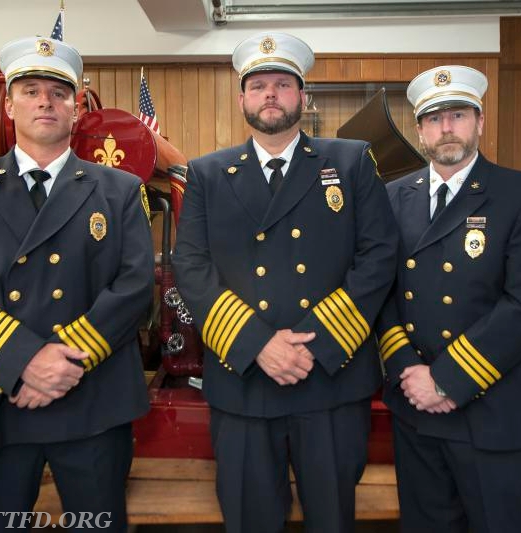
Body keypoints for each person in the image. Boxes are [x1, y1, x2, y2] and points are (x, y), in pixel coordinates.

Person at [0, 36, 154, 532]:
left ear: (77, 108)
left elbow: (133, 286)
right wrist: (23, 361)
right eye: (31, 90)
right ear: (9, 105)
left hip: (91, 398)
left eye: (59, 92)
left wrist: (58, 364)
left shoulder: (120, 190)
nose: (45, 101)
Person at [172, 32, 400, 533]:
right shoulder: (208, 173)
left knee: (332, 518)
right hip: (245, 380)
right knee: (251, 519)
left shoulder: (350, 161)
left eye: (282, 84)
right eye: (258, 86)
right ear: (242, 100)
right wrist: (258, 344)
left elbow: (379, 254)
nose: (270, 94)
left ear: (303, 96)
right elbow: (190, 262)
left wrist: (312, 344)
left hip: (330, 379)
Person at [375, 65, 521, 532]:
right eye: (435, 119)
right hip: (416, 411)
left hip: (492, 413)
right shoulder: (391, 198)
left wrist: (446, 379)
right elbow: (381, 294)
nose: (446, 128)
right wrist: (409, 374)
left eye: (458, 115)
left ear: (480, 121)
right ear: (419, 130)